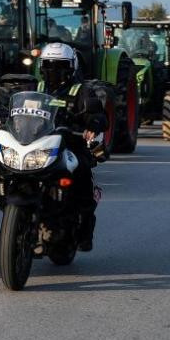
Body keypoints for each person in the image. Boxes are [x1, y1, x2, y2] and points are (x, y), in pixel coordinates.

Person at [36, 42, 105, 251]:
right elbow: (17, 107)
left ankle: (85, 229)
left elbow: (98, 116)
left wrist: (93, 124)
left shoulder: (81, 91)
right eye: (49, 65)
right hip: (38, 144)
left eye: (60, 66)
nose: (53, 71)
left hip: (70, 144)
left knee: (82, 171)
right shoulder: (36, 88)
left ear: (71, 67)